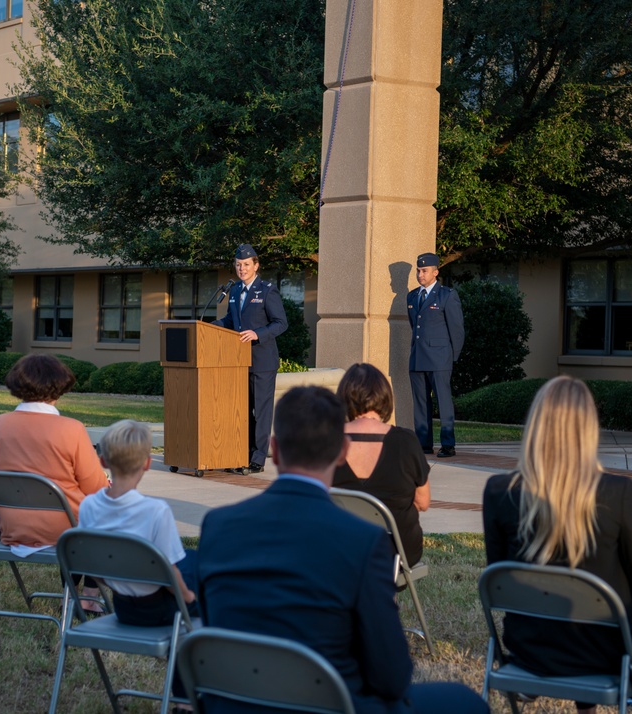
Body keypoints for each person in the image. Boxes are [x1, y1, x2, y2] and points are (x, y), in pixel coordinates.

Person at [197, 386, 489, 714]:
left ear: (274, 450)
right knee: (463, 701)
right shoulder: (363, 541)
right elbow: (392, 678)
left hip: (235, 703)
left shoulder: (218, 526)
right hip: (333, 704)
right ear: (341, 451)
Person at [482, 376, 632, 712]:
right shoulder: (617, 492)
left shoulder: (498, 491)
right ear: (588, 429)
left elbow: (499, 576)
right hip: (602, 648)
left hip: (529, 647)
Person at [77, 419, 198, 625]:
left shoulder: (89, 505)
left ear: (103, 461)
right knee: (200, 566)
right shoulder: (156, 511)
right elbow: (170, 572)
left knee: (192, 557)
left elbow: (90, 563)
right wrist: (189, 599)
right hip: (160, 609)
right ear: (147, 463)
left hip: (124, 608)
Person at [0, 354, 107, 547]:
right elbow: (95, 489)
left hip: (13, 528)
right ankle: (76, 577)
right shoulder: (71, 428)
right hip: (68, 528)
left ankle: (70, 578)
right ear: (60, 387)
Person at [333, 362, 430, 566]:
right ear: (385, 397)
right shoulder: (406, 441)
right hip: (395, 554)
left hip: (339, 550)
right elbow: (423, 503)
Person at [212, 243, 287, 473]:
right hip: (238, 362)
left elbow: (281, 323)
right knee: (242, 410)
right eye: (238, 265)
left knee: (261, 411)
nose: (241, 269)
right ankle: (241, 454)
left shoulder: (266, 290)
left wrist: (258, 334)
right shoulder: (234, 291)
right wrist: (208, 326)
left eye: (246, 264)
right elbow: (230, 321)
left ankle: (257, 459)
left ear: (256, 265)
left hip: (262, 361)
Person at [406, 252, 464, 458]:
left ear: (435, 272)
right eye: (418, 270)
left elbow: (456, 330)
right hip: (418, 358)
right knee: (421, 403)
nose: (420, 274)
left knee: (443, 402)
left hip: (440, 359)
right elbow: (416, 327)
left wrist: (451, 357)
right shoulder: (412, 296)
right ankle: (424, 444)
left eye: (424, 271)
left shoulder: (447, 295)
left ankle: (448, 445)